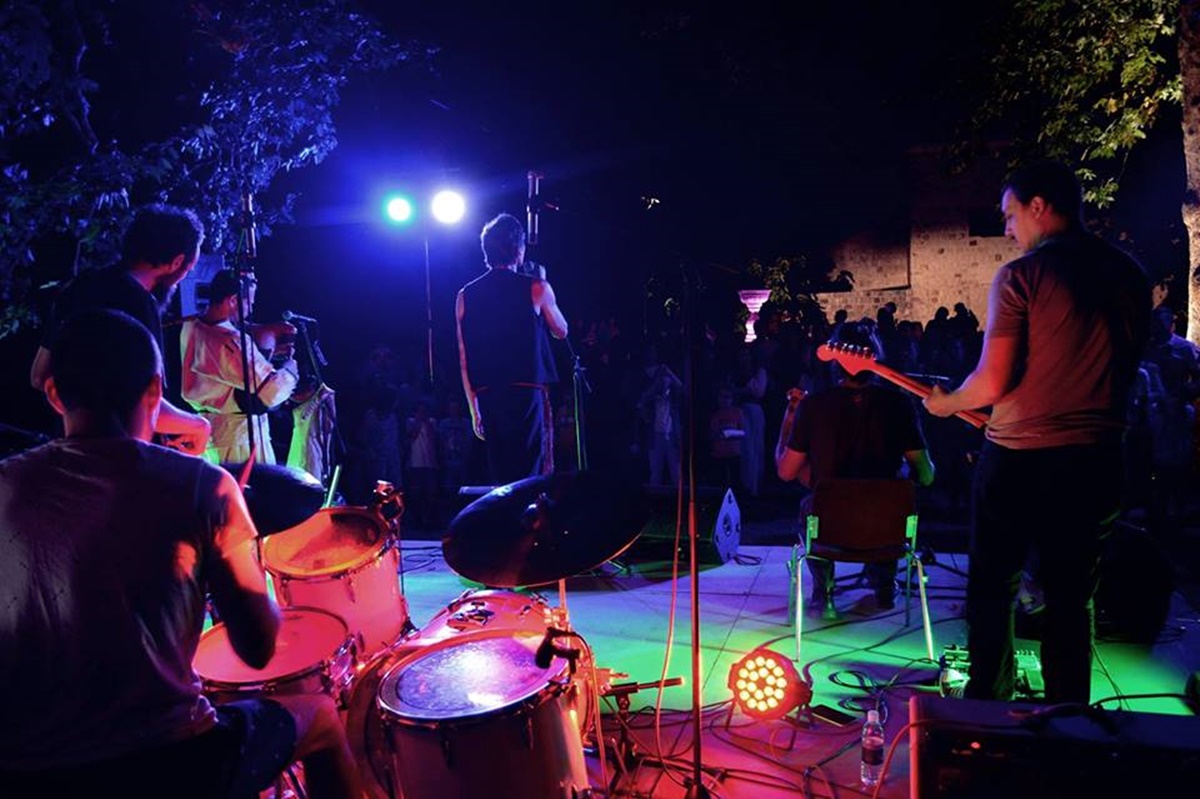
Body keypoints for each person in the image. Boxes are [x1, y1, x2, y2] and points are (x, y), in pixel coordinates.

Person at [0, 310, 360, 798]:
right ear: (155, 391)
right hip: (169, 759)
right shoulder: (202, 485)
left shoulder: (7, 484)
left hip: (26, 770)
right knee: (320, 716)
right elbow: (257, 647)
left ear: (54, 394)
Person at [924, 160, 1152, 704]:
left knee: (993, 588)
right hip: (1097, 459)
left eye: (1010, 216)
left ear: (1039, 207)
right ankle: (1067, 718)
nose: (1007, 229)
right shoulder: (1130, 275)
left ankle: (988, 710)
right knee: (1071, 596)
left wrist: (947, 403)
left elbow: (993, 381)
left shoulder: (1022, 276)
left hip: (1020, 458)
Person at [776, 321, 935, 611]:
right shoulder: (899, 404)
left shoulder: (813, 406)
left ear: (835, 359)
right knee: (890, 499)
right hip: (885, 532)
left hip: (830, 530)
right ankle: (884, 586)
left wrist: (790, 418)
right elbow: (926, 475)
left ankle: (824, 589)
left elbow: (786, 471)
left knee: (812, 503)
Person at [29, 203, 211, 454]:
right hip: (119, 461)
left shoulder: (78, 287)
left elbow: (39, 376)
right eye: (187, 269)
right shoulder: (140, 303)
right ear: (176, 262)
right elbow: (147, 405)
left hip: (68, 454)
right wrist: (199, 426)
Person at [456, 212, 568, 484]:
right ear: (519, 250)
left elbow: (464, 358)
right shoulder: (536, 287)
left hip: (489, 393)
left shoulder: (465, 296)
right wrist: (543, 282)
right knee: (533, 472)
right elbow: (561, 330)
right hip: (527, 392)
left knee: (502, 475)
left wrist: (473, 407)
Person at [181, 269, 299, 465]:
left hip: (210, 437)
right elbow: (271, 391)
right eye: (248, 302)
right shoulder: (229, 341)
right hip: (239, 444)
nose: (250, 310)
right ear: (233, 300)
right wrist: (290, 371)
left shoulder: (192, 326)